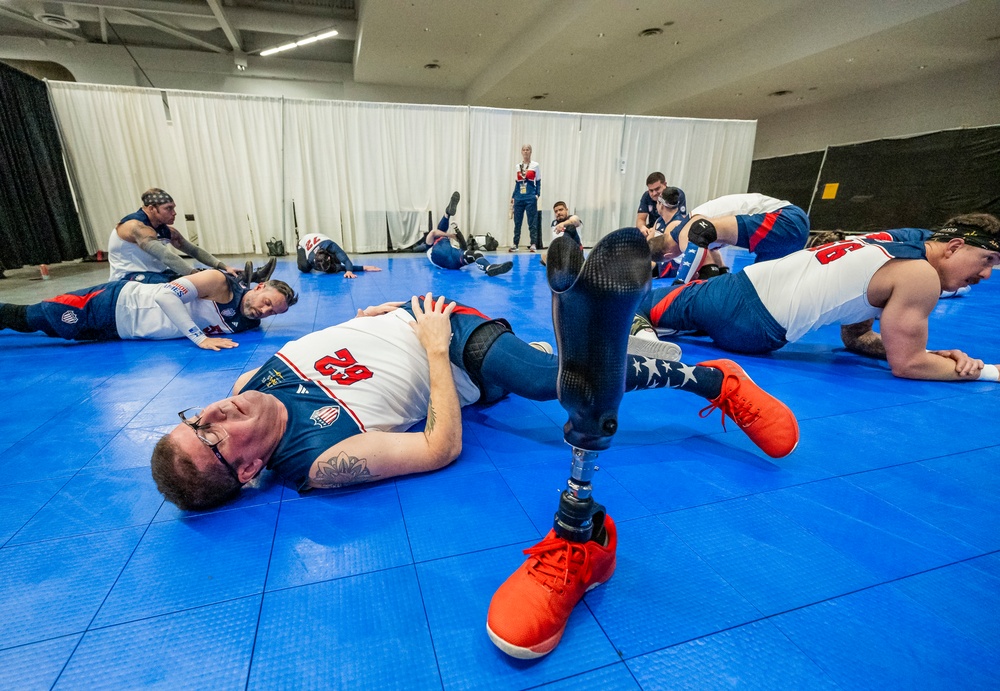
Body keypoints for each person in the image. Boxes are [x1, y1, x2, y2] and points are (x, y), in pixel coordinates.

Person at [150, 281, 796, 511]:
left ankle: (619, 341)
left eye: (191, 417)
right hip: (447, 341)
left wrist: (374, 317)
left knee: (548, 371)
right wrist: (431, 342)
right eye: (207, 435)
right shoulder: (316, 460)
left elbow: (334, 345)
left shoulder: (242, 385)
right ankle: (717, 379)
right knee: (551, 383)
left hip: (413, 316)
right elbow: (439, 446)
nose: (209, 412)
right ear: (248, 468)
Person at [636, 214, 1000, 382]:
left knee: (630, 302)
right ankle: (645, 325)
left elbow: (901, 358)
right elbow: (893, 357)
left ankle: (640, 324)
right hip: (749, 317)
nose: (986, 275)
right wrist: (983, 371)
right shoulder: (919, 274)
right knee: (645, 303)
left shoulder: (899, 244)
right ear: (954, 246)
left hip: (744, 307)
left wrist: (930, 356)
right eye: (988, 260)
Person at [0, 269, 296, 350]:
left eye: (273, 313)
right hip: (115, 304)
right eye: (267, 302)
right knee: (29, 318)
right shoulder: (220, 283)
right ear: (259, 287)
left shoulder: (247, 324)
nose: (265, 311)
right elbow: (167, 297)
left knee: (55, 333)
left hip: (121, 331)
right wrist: (200, 338)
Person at [109, 188, 277, 285]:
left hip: (153, 273)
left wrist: (223, 267)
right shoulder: (135, 227)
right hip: (128, 278)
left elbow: (193, 250)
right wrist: (197, 275)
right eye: (168, 208)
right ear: (152, 208)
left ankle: (254, 277)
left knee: (210, 275)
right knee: (197, 281)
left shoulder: (165, 229)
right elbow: (166, 256)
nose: (174, 213)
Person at [662, 193, 810, 283]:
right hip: (791, 228)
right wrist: (723, 275)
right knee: (760, 290)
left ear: (667, 255)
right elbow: (715, 256)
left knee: (700, 230)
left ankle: (683, 302)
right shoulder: (689, 226)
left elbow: (700, 236)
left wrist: (678, 287)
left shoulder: (687, 228)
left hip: (787, 219)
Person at [427, 193, 513, 277]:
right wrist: (450, 235)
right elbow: (433, 232)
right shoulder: (430, 245)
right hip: (441, 257)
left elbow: (464, 246)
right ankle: (447, 213)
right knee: (442, 232)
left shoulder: (445, 242)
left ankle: (489, 268)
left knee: (476, 253)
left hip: (454, 260)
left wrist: (457, 230)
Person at [297, 233, 381, 278]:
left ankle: (330, 263)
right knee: (304, 268)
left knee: (334, 265)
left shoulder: (332, 246)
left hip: (322, 240)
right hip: (303, 243)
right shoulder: (311, 259)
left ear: (329, 257)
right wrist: (361, 268)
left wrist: (350, 270)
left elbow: (345, 260)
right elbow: (340, 267)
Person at [509, 145, 541, 252]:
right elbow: (517, 183)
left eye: (528, 150)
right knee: (517, 222)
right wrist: (513, 196)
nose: (526, 151)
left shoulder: (535, 165)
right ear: (521, 152)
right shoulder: (518, 166)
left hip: (530, 197)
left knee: (532, 221)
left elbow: (539, 181)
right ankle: (515, 243)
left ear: (531, 152)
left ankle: (533, 243)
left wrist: (537, 194)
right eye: (524, 150)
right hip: (519, 197)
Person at [636, 172, 687, 239]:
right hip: (653, 228)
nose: (654, 193)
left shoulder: (676, 194)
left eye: (657, 189)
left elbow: (681, 221)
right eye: (651, 190)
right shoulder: (646, 196)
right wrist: (643, 228)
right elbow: (640, 219)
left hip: (671, 230)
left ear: (665, 184)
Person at [539, 201, 582, 266]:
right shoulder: (554, 224)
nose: (558, 213)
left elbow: (575, 220)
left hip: (574, 252)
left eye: (561, 210)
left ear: (566, 210)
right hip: (560, 253)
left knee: (570, 227)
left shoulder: (573, 218)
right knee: (544, 254)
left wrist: (563, 224)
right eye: (556, 211)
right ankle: (560, 262)